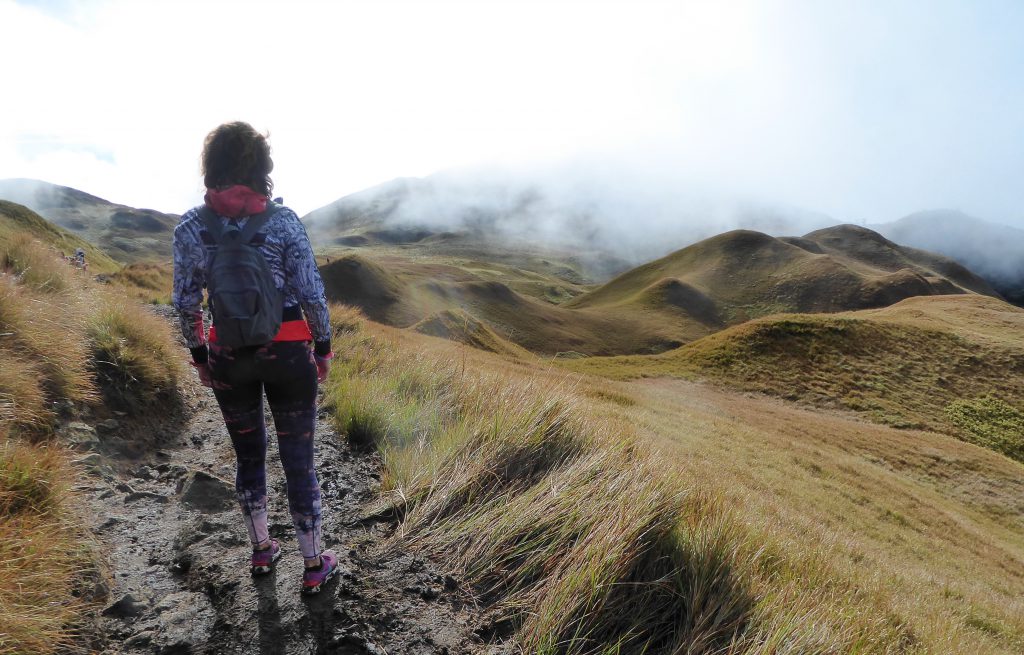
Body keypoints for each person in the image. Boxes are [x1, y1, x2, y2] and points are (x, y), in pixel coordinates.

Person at [171, 122, 339, 595]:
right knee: (299, 458)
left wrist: (201, 357)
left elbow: (185, 303)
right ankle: (312, 564)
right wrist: (321, 349)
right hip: (288, 355)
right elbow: (313, 296)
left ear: (212, 168)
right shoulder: (284, 223)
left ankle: (262, 549)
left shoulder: (190, 227)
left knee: (248, 454)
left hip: (228, 355)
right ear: (261, 168)